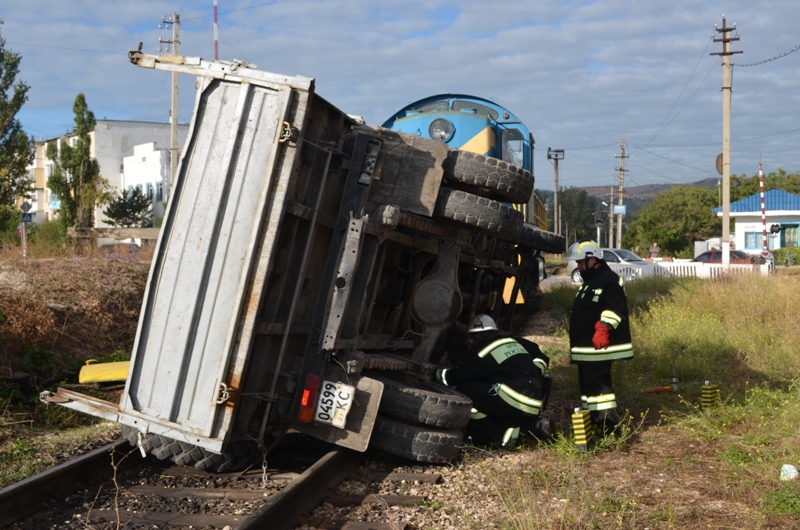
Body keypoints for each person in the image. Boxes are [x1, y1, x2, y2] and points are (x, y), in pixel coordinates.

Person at [436, 314, 551, 448]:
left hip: (515, 400)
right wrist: (535, 371)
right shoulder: (513, 341)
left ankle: (490, 439)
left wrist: (436, 372)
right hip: (534, 403)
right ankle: (531, 429)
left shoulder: (482, 352)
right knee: (488, 395)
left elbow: (453, 378)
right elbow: (541, 355)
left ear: (475, 338)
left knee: (465, 391)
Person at [566, 240, 633, 433]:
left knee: (600, 390)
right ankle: (595, 422)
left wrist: (603, 329)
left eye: (580, 262)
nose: (578, 267)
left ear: (592, 259)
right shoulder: (592, 281)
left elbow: (615, 307)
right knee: (589, 390)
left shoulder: (608, 279)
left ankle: (609, 428)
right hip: (587, 350)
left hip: (598, 349)